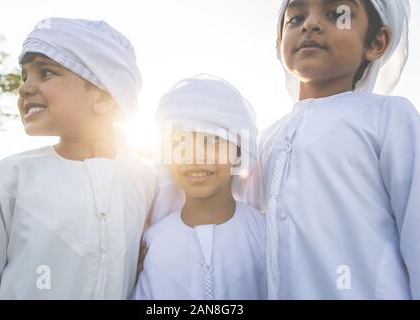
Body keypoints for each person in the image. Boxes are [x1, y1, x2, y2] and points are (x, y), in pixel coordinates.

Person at [0, 18, 156, 299]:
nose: (24, 88)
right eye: (25, 76)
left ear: (104, 97)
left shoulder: (146, 180)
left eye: (46, 73)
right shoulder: (10, 178)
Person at [259, 0, 419, 299]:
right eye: (295, 18)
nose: (310, 24)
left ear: (376, 42)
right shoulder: (266, 139)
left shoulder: (388, 117)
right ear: (279, 40)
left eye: (337, 14)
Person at [133, 75, 267, 300]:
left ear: (238, 151)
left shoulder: (266, 235)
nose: (194, 156)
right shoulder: (151, 243)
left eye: (212, 141)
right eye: (178, 143)